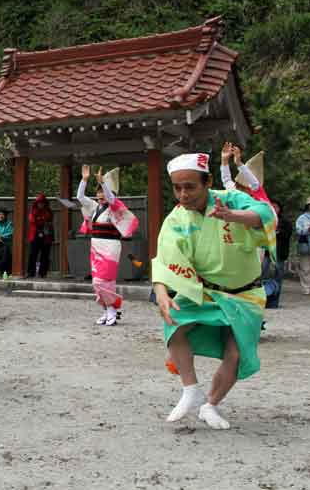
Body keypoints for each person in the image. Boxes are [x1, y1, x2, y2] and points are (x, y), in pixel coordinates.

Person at [152, 153, 276, 429]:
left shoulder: (230, 199)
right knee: (174, 323)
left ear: (207, 183)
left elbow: (266, 214)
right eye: (177, 187)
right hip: (206, 292)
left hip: (246, 293)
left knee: (236, 352)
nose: (183, 194)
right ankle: (190, 388)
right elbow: (164, 259)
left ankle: (211, 405)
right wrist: (161, 293)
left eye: (190, 187)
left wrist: (234, 216)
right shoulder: (176, 219)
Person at [77, 166, 139, 326]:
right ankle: (106, 310)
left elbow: (111, 198)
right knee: (96, 281)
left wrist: (103, 183)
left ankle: (112, 307)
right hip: (96, 246)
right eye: (99, 192)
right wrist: (84, 180)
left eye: (103, 191)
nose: (100, 195)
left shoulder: (115, 206)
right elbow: (80, 197)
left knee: (104, 281)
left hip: (110, 247)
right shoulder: (95, 207)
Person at [263, 200, 290, 308]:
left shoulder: (285, 222)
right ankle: (264, 299)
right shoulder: (266, 220)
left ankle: (274, 302)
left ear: (280, 208)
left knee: (278, 275)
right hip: (267, 251)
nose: (274, 209)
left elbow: (287, 235)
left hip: (279, 252)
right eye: (272, 207)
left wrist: (276, 232)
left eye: (276, 207)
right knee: (263, 274)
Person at [26, 194, 54, 278]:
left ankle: (43, 273)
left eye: (42, 203)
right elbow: (32, 221)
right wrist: (40, 230)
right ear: (37, 203)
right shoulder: (33, 211)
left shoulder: (48, 211)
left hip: (46, 235)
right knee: (33, 254)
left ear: (45, 203)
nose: (41, 204)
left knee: (45, 254)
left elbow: (49, 221)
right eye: (39, 203)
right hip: (35, 235)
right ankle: (31, 273)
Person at [296, 198, 310, 295]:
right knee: (305, 268)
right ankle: (307, 288)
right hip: (305, 245)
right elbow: (298, 231)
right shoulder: (302, 218)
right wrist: (307, 230)